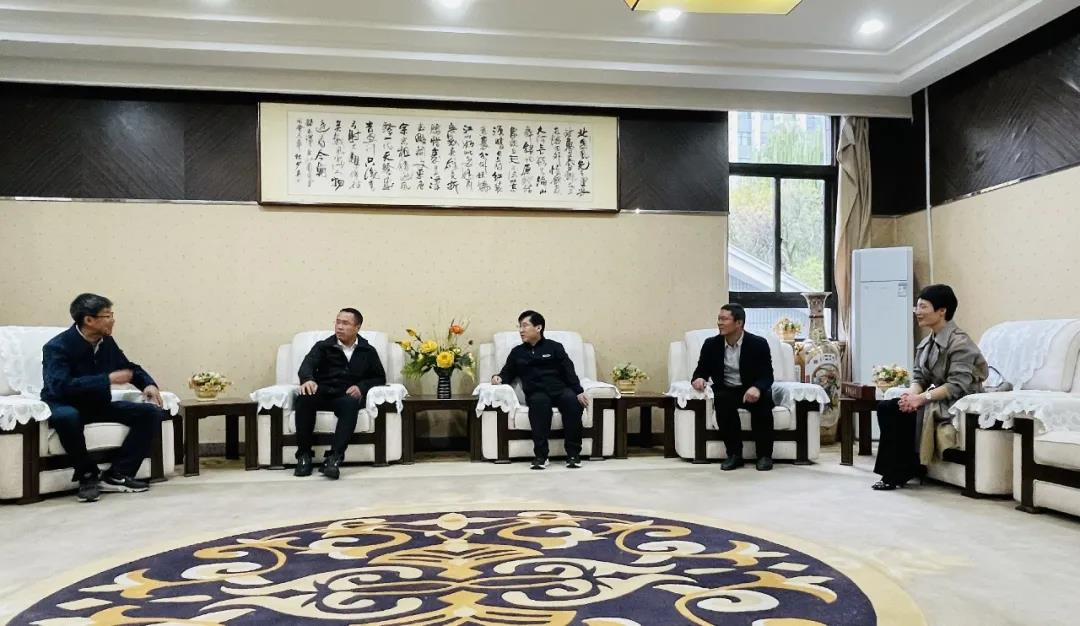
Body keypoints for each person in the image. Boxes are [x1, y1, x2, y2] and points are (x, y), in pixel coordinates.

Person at [41, 293, 166, 503]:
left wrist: (148, 384)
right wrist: (106, 379)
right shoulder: (57, 347)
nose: (113, 320)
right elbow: (60, 386)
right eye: (107, 316)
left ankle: (118, 474)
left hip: (96, 404)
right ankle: (87, 475)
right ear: (89, 320)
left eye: (112, 315)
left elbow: (128, 368)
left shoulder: (106, 342)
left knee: (150, 413)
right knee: (68, 417)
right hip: (64, 403)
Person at [872, 284, 988, 491]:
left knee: (898, 412)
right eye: (917, 307)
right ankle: (900, 470)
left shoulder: (960, 343)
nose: (917, 312)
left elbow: (956, 385)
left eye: (923, 306)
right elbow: (919, 378)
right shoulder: (926, 343)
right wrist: (910, 397)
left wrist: (921, 399)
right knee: (888, 407)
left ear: (942, 311)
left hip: (955, 401)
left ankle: (896, 473)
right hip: (934, 396)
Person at [293, 308, 386, 480]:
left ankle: (333, 459)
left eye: (345, 323)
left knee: (351, 403)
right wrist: (308, 379)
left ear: (357, 327)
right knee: (304, 398)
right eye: (337, 322)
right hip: (322, 392)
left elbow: (380, 377)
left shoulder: (367, 351)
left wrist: (361, 387)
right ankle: (304, 456)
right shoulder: (323, 346)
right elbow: (307, 366)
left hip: (345, 395)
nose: (339, 326)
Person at [491, 310, 589, 470]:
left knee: (572, 402)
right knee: (539, 404)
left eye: (525, 326)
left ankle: (573, 454)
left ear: (538, 328)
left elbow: (568, 370)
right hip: (537, 392)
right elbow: (507, 373)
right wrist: (498, 378)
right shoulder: (517, 352)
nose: (521, 330)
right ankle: (541, 456)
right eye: (519, 326)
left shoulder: (555, 347)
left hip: (560, 389)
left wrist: (578, 391)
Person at [691, 303, 776, 471]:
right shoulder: (711, 344)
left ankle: (764, 456)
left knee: (763, 402)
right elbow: (701, 370)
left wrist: (757, 388)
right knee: (722, 401)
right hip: (727, 389)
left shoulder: (758, 344)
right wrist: (699, 379)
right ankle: (734, 455)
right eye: (719, 319)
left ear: (739, 323)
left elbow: (767, 375)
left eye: (724, 319)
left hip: (752, 388)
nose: (719, 323)